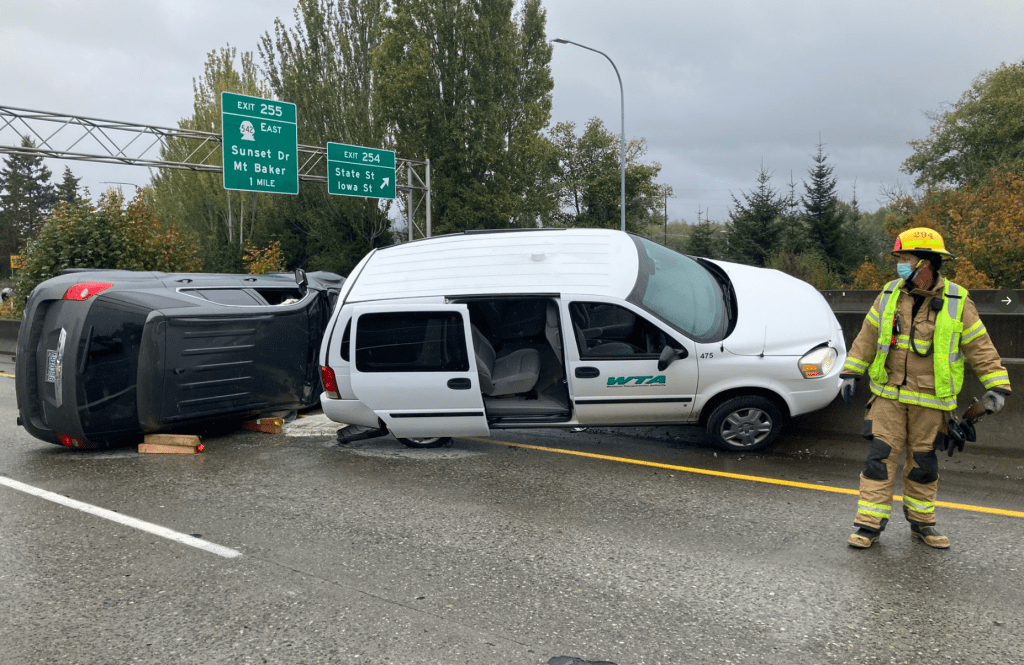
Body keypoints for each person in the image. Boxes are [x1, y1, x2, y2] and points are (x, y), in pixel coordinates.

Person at [838, 227, 1011, 549]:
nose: (900, 264)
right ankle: (868, 526)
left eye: (905, 258)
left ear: (925, 262)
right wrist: (851, 371)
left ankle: (922, 524)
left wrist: (997, 386)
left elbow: (980, 346)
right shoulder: (889, 294)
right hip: (888, 395)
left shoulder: (957, 300)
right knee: (879, 459)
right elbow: (868, 335)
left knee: (923, 465)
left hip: (932, 401)